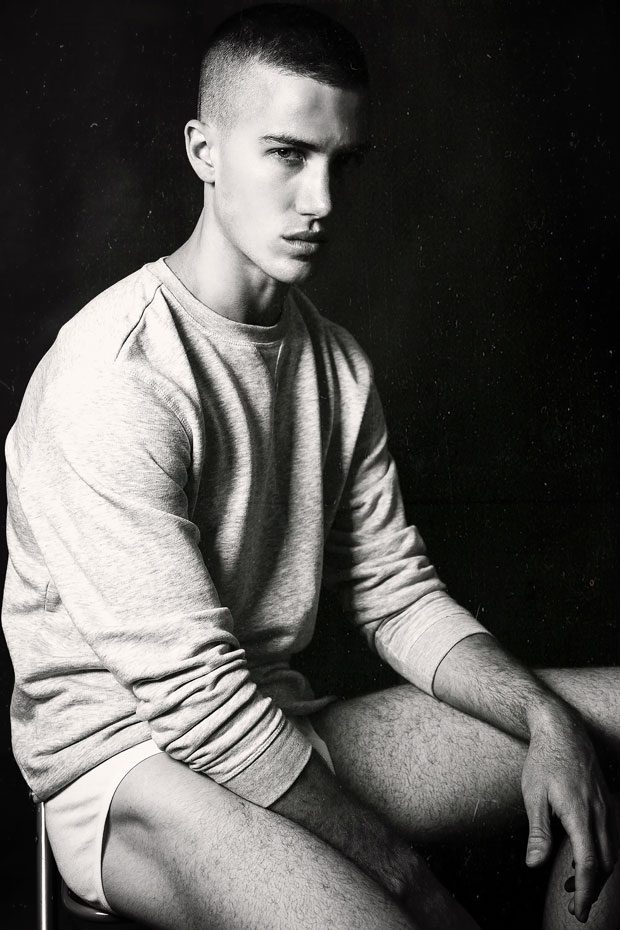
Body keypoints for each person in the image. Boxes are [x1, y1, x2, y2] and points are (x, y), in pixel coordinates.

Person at [2, 4, 619, 929]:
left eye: (342, 162)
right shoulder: (115, 374)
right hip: (134, 766)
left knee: (608, 724)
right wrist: (409, 882)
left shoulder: (336, 363)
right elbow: (195, 701)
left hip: (282, 725)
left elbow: (395, 594)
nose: (322, 200)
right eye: (288, 154)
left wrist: (543, 716)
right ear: (205, 151)